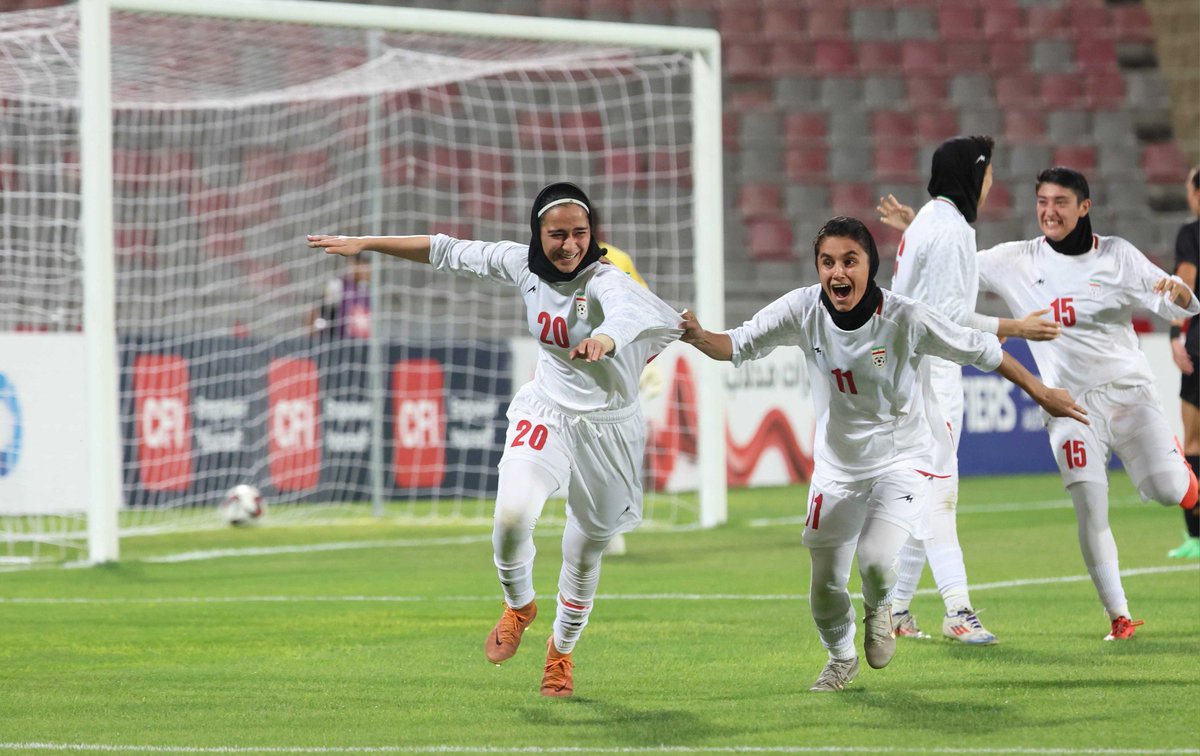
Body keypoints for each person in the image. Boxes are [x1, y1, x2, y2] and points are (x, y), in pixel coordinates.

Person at [307, 182, 683, 697]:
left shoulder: (606, 279)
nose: (570, 244)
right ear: (538, 233)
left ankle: (561, 654)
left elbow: (630, 312)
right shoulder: (522, 265)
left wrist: (606, 338)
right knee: (510, 517)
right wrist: (368, 243)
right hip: (547, 410)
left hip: (610, 428)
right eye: (557, 234)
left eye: (580, 233)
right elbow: (444, 250)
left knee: (586, 550)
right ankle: (520, 605)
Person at [679, 216, 1086, 692]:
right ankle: (840, 657)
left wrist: (1043, 393)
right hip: (837, 465)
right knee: (825, 586)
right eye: (827, 262)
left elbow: (984, 351)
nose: (837, 273)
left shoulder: (905, 318)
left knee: (873, 558)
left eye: (849, 261)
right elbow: (739, 344)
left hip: (902, 458)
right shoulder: (802, 309)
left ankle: (881, 608)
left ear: (870, 265)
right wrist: (698, 335)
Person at [885, 167, 1199, 640]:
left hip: (1129, 396)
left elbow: (1170, 298)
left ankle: (1185, 477)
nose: (1049, 212)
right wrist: (918, 229)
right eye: (1042, 202)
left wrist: (1181, 293)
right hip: (1069, 408)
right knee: (1090, 508)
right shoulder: (1016, 259)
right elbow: (958, 263)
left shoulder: (1117, 257)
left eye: (1060, 202)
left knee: (1166, 489)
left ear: (1084, 208)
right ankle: (1120, 617)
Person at [877, 136, 1064, 646]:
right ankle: (957, 609)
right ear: (970, 174)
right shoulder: (951, 228)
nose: (992, 183)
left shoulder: (927, 224)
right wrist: (1016, 327)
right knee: (941, 494)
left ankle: (895, 610)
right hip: (932, 372)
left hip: (911, 369)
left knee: (929, 494)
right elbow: (949, 319)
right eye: (987, 173)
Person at [596, 240, 657, 558]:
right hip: (577, 368)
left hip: (616, 367)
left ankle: (614, 525)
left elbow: (643, 304)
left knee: (615, 449)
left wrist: (647, 361)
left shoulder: (616, 259)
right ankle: (596, 524)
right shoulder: (549, 260)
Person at [1168, 166, 1200, 558]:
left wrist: (1177, 335)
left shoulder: (1191, 233)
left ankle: (1195, 535)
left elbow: (1183, 285)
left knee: (1193, 441)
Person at [307, 255, 371, 340]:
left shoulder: (367, 290)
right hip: (337, 340)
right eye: (363, 266)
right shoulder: (338, 285)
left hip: (360, 341)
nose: (367, 271)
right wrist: (312, 334)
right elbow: (317, 309)